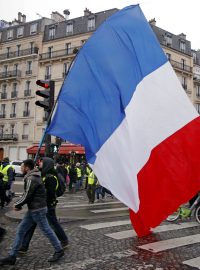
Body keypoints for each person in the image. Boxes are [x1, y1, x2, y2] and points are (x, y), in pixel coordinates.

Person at [0, 159, 64, 266]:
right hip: (34, 209)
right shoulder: (33, 176)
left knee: (46, 230)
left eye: (22, 166)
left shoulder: (31, 178)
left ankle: (59, 249)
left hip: (37, 210)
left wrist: (17, 204)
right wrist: (19, 204)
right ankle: (12, 256)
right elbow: (29, 195)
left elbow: (27, 195)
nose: (20, 167)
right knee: (21, 229)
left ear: (27, 167)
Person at [19, 157, 68, 254]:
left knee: (52, 224)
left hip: (48, 205)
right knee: (32, 225)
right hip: (40, 205)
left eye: (42, 162)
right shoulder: (43, 174)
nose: (40, 163)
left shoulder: (51, 177)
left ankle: (64, 240)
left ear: (47, 164)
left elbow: (50, 193)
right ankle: (24, 246)